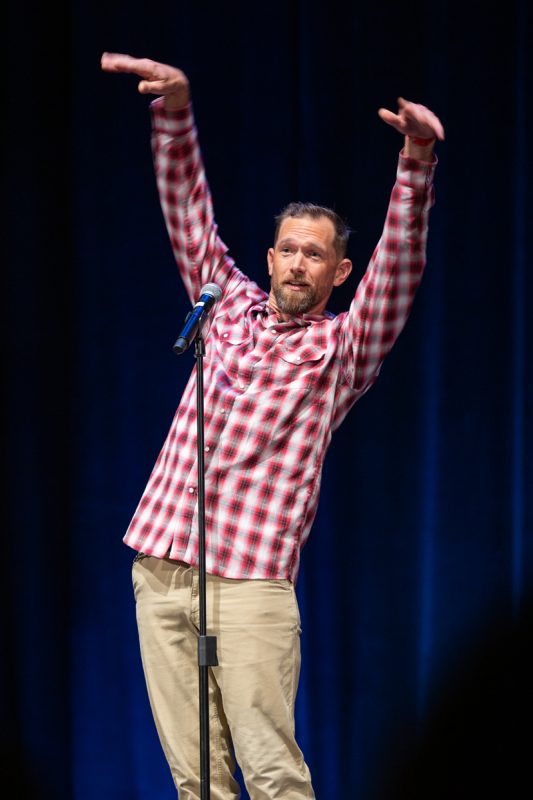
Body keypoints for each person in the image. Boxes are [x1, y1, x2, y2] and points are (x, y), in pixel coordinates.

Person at [101, 52, 444, 800]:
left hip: (250, 582)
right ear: (268, 256)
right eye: (287, 249)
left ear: (337, 274)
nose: (296, 263)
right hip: (160, 567)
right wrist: (175, 113)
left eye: (313, 255)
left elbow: (400, 264)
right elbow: (185, 206)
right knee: (197, 781)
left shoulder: (342, 349)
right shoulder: (222, 304)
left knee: (271, 774)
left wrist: (414, 164)